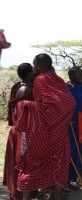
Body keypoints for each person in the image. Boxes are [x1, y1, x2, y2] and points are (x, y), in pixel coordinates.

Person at [14, 53, 76, 200]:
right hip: (59, 134)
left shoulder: (40, 80)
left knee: (31, 168)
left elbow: (47, 108)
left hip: (41, 135)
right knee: (57, 169)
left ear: (39, 66)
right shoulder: (59, 80)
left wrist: (26, 105)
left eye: (34, 65)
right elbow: (69, 103)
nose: (33, 69)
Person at [3, 63, 36, 200]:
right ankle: (20, 194)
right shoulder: (25, 90)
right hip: (22, 132)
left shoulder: (21, 87)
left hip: (22, 131)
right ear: (29, 74)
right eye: (33, 73)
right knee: (23, 164)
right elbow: (20, 113)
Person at [66, 66, 82, 189]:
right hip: (68, 125)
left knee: (79, 152)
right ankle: (66, 181)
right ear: (72, 76)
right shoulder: (65, 88)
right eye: (79, 74)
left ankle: (75, 178)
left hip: (80, 124)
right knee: (68, 153)